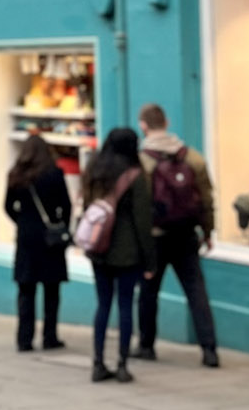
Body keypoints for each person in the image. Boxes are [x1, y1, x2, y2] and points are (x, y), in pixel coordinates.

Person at [135, 103, 220, 369]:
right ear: (167, 122)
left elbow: (138, 204)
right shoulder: (193, 157)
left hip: (155, 236)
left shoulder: (142, 161)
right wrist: (207, 230)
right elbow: (206, 197)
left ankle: (146, 345)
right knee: (196, 291)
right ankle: (209, 349)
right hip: (185, 234)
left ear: (143, 125)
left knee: (149, 291)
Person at [82, 128, 155, 383]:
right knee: (125, 306)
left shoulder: (94, 169)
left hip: (98, 247)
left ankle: (98, 362)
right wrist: (150, 259)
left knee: (103, 304)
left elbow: (86, 207)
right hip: (127, 251)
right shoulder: (136, 176)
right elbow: (142, 221)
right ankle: (122, 363)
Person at [3, 132, 71, 352]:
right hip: (50, 238)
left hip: (26, 238)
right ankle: (50, 336)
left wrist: (22, 221)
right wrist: (61, 225)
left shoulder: (16, 175)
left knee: (26, 290)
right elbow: (66, 205)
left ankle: (25, 338)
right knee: (52, 290)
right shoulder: (54, 174)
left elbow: (7, 206)